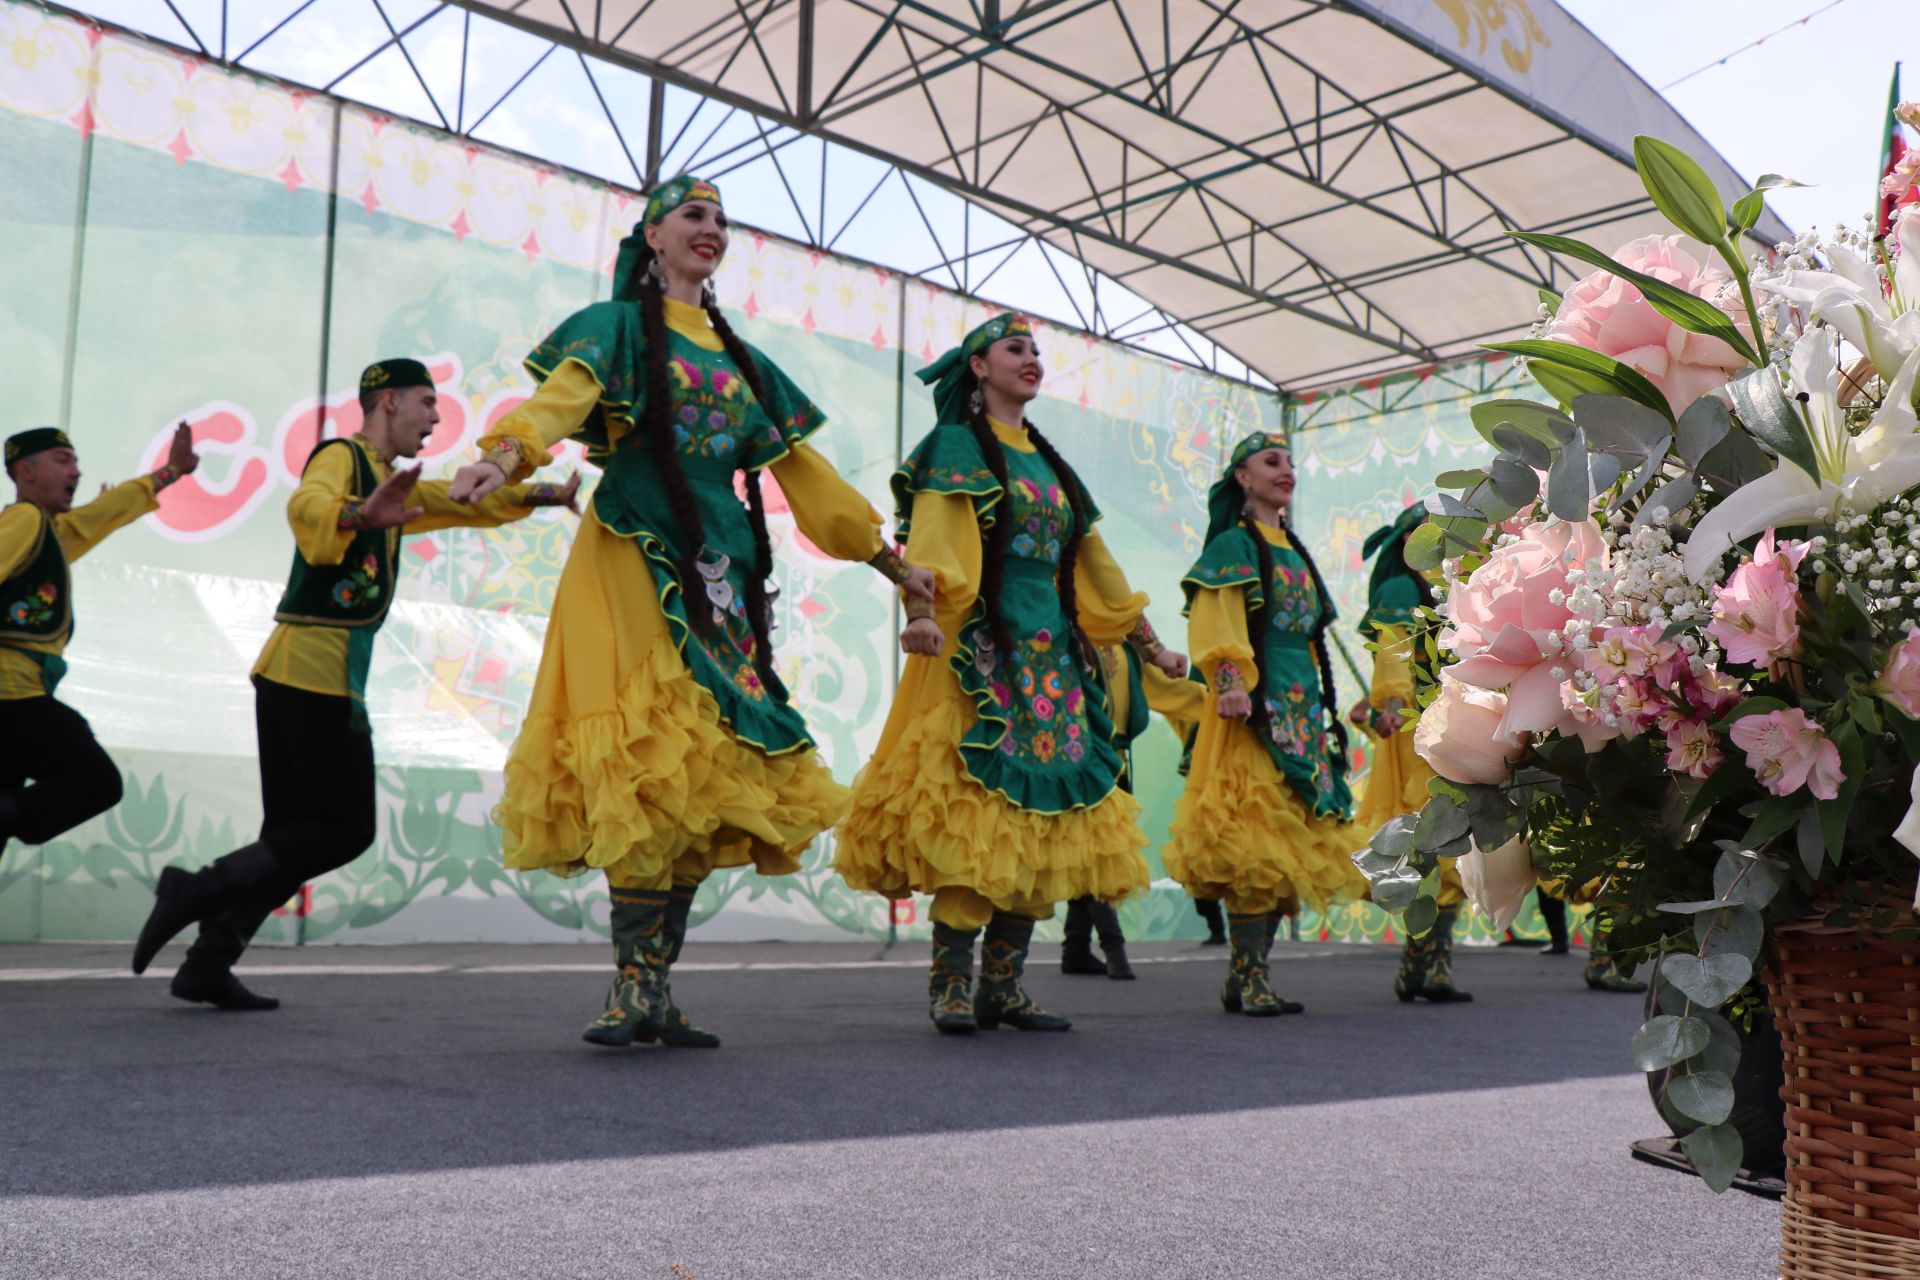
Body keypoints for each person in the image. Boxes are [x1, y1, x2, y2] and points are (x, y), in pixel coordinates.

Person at [444, 175, 933, 1049]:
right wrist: (507, 456)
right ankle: (630, 989)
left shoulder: (745, 362)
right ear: (654, 236)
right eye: (693, 217)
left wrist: (889, 562)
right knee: (649, 749)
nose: (711, 231)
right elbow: (562, 401)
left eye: (722, 222)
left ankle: (655, 987)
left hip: (721, 568)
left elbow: (809, 482)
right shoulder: (621, 328)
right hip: (634, 548)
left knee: (704, 770)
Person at [130, 359, 575, 1008]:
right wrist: (358, 514)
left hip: (300, 673)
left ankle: (209, 960)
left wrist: (544, 495)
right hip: (313, 672)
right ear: (388, 401)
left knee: (288, 839)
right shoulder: (343, 457)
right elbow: (309, 504)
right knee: (342, 829)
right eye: (427, 402)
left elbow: (460, 497)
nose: (436, 417)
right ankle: (196, 889)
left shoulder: (392, 484)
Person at [835, 312, 1187, 1034]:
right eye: (1013, 349)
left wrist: (1150, 648)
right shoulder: (957, 447)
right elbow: (932, 537)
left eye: (1035, 350)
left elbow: (1095, 565)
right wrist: (921, 610)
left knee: (1044, 817)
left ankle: (1004, 985)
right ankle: (950, 986)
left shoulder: (1052, 465)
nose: (1030, 359)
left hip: (1053, 663)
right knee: (977, 816)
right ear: (978, 367)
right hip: (979, 655)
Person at [1164, 432, 1358, 1017]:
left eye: (1291, 463)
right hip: (1252, 706)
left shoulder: (1291, 547)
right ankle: (1248, 978)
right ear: (1243, 478)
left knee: (1287, 842)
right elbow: (1216, 614)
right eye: (1272, 463)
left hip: (1299, 707)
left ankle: (1249, 975)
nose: (1287, 471)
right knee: (1253, 840)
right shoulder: (1233, 544)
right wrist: (1228, 682)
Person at [0, 423, 199, 863]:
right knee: (94, 782)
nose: (77, 471)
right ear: (25, 472)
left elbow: (110, 509)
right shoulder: (24, 520)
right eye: (62, 460)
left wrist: (170, 472)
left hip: (19, 692)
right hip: (12, 693)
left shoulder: (50, 532)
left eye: (76, 462)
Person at [1348, 505, 1471, 1003]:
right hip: (1415, 732)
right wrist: (1394, 702)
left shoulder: (1448, 584)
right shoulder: (1402, 587)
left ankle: (1422, 963)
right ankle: (1429, 963)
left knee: (1451, 833)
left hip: (1451, 724)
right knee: (1434, 833)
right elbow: (1393, 651)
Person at [1059, 642, 1202, 979]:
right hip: (1081, 762)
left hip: (1113, 764)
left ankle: (1075, 947)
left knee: (1092, 853)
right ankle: (1114, 948)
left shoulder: (1126, 648)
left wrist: (1224, 696)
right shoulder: (1071, 638)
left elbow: (1177, 694)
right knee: (1098, 853)